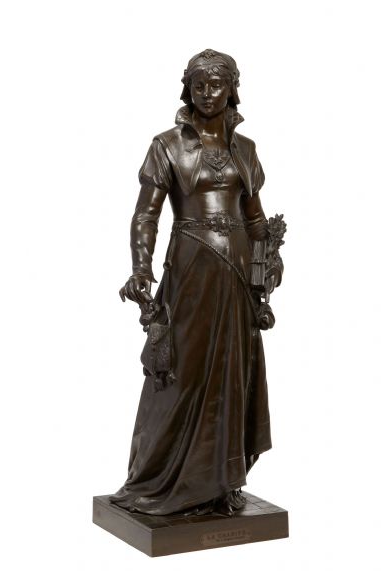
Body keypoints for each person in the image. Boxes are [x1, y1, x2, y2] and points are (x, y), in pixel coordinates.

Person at [109, 49, 284, 517]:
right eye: (199, 85)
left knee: (234, 370)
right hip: (191, 271)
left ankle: (223, 482)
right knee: (180, 374)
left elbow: (255, 218)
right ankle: (158, 478)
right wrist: (141, 267)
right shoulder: (167, 145)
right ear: (187, 88)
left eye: (217, 84)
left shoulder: (246, 150)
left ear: (232, 88)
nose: (208, 93)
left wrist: (269, 262)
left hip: (237, 276)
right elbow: (146, 215)